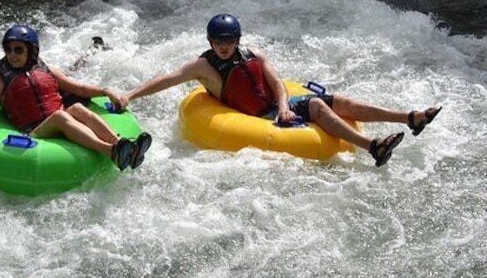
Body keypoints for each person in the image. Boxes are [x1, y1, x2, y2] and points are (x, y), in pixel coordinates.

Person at [120, 14, 442, 167]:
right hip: (260, 116)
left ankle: (409, 118)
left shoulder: (254, 54)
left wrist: (286, 105)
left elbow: (276, 82)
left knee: (341, 100)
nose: (223, 47)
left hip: (278, 107)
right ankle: (372, 146)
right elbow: (166, 79)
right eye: (218, 42)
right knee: (318, 108)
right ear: (210, 42)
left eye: (229, 41)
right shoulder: (202, 67)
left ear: (238, 41)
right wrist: (130, 96)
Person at [0, 25, 152, 171]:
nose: (12, 55)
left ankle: (122, 145)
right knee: (61, 116)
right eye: (8, 50)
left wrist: (106, 91)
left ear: (32, 52)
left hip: (58, 119)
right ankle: (110, 152)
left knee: (77, 109)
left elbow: (81, 88)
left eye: (18, 50)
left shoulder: (48, 70)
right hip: (34, 132)